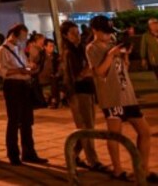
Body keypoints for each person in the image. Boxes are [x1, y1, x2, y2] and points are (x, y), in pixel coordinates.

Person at [86, 15, 157, 182]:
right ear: (95, 31)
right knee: (115, 135)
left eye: (110, 32)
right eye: (104, 32)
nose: (107, 35)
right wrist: (111, 54)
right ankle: (117, 169)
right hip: (112, 97)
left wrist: (125, 55)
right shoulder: (92, 48)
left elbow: (123, 67)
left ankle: (142, 169)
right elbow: (99, 72)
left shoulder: (112, 44)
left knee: (145, 132)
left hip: (128, 94)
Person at [0, 24, 47, 165]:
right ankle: (13, 154)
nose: (24, 40)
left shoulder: (19, 49)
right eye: (22, 37)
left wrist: (30, 68)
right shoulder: (2, 50)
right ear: (14, 34)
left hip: (25, 85)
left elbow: (25, 65)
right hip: (13, 86)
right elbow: (1, 71)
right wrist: (20, 71)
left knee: (27, 121)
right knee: (14, 120)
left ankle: (29, 152)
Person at [61, 20, 105, 173]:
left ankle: (73, 154)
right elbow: (78, 76)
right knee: (86, 128)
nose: (77, 35)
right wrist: (90, 69)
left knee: (87, 127)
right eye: (73, 33)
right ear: (65, 36)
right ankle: (93, 161)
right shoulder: (69, 53)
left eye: (77, 31)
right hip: (77, 93)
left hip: (88, 90)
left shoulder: (81, 48)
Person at [28, 33, 48, 108]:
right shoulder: (34, 48)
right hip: (35, 70)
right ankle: (39, 102)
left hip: (36, 70)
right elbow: (35, 59)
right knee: (35, 85)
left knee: (36, 86)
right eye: (42, 39)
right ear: (38, 40)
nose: (43, 41)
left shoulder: (37, 48)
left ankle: (40, 102)